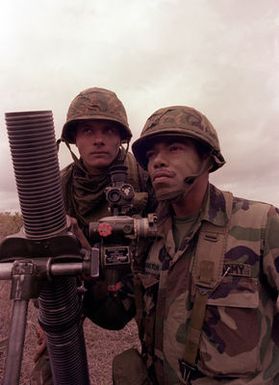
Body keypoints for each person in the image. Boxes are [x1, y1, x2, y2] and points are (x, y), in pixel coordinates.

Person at [125, 105, 279, 384]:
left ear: (207, 159)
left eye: (173, 148)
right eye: (151, 154)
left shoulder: (260, 223)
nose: (157, 161)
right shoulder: (147, 234)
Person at [30, 87, 154, 385]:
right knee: (52, 358)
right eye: (87, 130)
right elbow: (37, 258)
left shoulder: (145, 178)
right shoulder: (57, 187)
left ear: (121, 138)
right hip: (79, 281)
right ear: (73, 139)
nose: (99, 140)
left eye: (108, 130)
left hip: (141, 280)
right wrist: (48, 315)